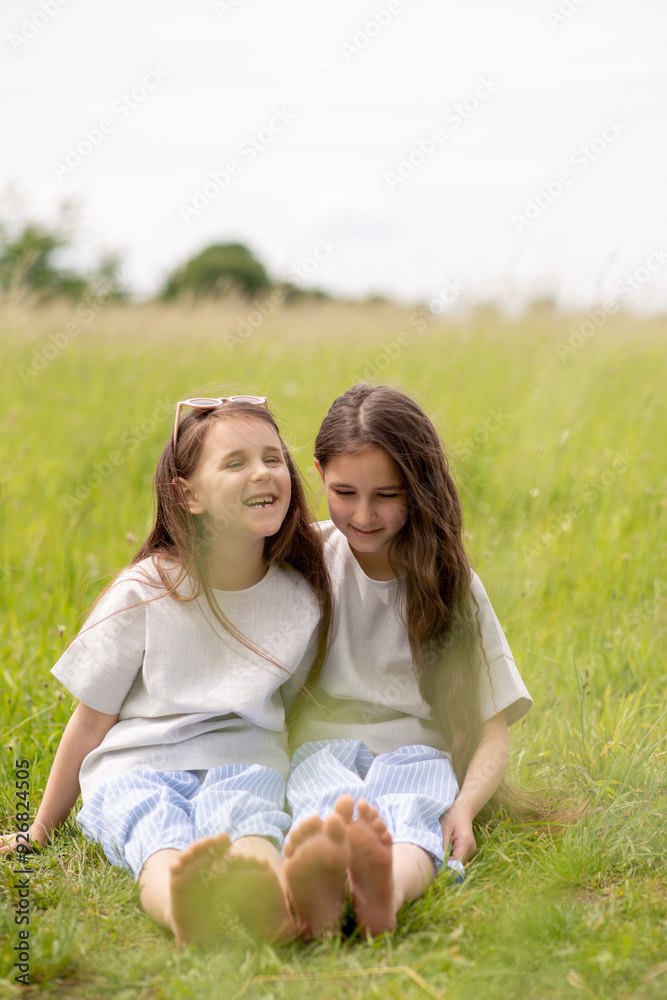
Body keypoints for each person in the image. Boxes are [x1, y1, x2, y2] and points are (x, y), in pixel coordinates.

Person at [1, 395, 331, 948]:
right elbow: (90, 721)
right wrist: (39, 830)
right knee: (155, 838)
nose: (264, 473)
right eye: (236, 463)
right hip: (137, 766)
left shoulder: (300, 592)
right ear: (188, 495)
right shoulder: (147, 589)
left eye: (274, 458)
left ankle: (268, 897)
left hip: (243, 760)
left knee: (252, 824)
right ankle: (180, 903)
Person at [283, 383, 533, 938]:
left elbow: (493, 731)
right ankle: (322, 890)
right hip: (322, 747)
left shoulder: (451, 584)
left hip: (416, 750)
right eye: (344, 492)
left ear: (419, 487)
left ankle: (384, 894)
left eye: (387, 495)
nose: (364, 515)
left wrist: (464, 808)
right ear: (318, 472)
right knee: (320, 811)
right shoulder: (305, 562)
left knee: (417, 818)